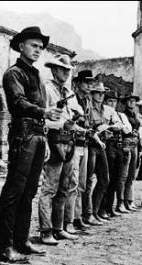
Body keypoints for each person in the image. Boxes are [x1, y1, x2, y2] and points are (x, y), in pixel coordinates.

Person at [0, 26, 63, 263]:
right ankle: (3, 245)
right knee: (14, 190)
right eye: (34, 45)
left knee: (29, 191)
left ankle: (21, 241)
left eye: (41, 48)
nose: (38, 50)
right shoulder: (13, 73)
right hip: (23, 135)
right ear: (21, 46)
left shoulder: (35, 75)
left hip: (38, 135)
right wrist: (44, 111)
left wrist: (44, 122)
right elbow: (18, 103)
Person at [38, 54, 84, 243]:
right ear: (53, 70)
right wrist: (61, 125)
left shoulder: (69, 93)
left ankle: (59, 227)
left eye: (67, 70)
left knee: (64, 187)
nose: (65, 73)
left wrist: (77, 120)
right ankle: (46, 230)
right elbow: (42, 119)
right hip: (53, 140)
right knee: (49, 188)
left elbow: (74, 116)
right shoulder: (46, 90)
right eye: (61, 69)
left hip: (69, 142)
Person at [83, 82, 122, 225]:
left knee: (104, 179)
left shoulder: (104, 110)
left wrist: (108, 128)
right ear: (92, 94)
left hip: (102, 146)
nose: (100, 95)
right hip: (92, 145)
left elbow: (117, 125)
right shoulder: (88, 108)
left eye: (102, 93)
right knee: (87, 181)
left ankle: (95, 211)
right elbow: (89, 127)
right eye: (97, 93)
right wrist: (99, 131)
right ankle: (86, 214)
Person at [64, 70, 96, 233]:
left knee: (82, 183)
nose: (90, 86)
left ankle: (77, 217)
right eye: (87, 82)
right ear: (78, 84)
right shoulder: (72, 99)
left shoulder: (88, 102)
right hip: (74, 144)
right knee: (73, 183)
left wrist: (90, 130)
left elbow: (87, 122)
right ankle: (68, 220)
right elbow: (69, 121)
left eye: (91, 83)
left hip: (85, 144)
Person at [99, 90, 133, 219]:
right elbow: (111, 127)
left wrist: (115, 126)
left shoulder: (118, 114)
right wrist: (114, 126)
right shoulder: (104, 112)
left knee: (116, 179)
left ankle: (109, 207)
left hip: (118, 146)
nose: (113, 103)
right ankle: (101, 208)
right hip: (107, 146)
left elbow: (125, 128)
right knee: (106, 178)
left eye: (115, 101)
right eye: (110, 101)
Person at [120, 94, 141, 212]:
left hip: (135, 144)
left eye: (134, 101)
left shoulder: (135, 115)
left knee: (132, 173)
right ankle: (121, 201)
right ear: (126, 103)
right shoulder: (123, 115)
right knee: (124, 173)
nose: (132, 103)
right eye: (130, 101)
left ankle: (129, 199)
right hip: (127, 143)